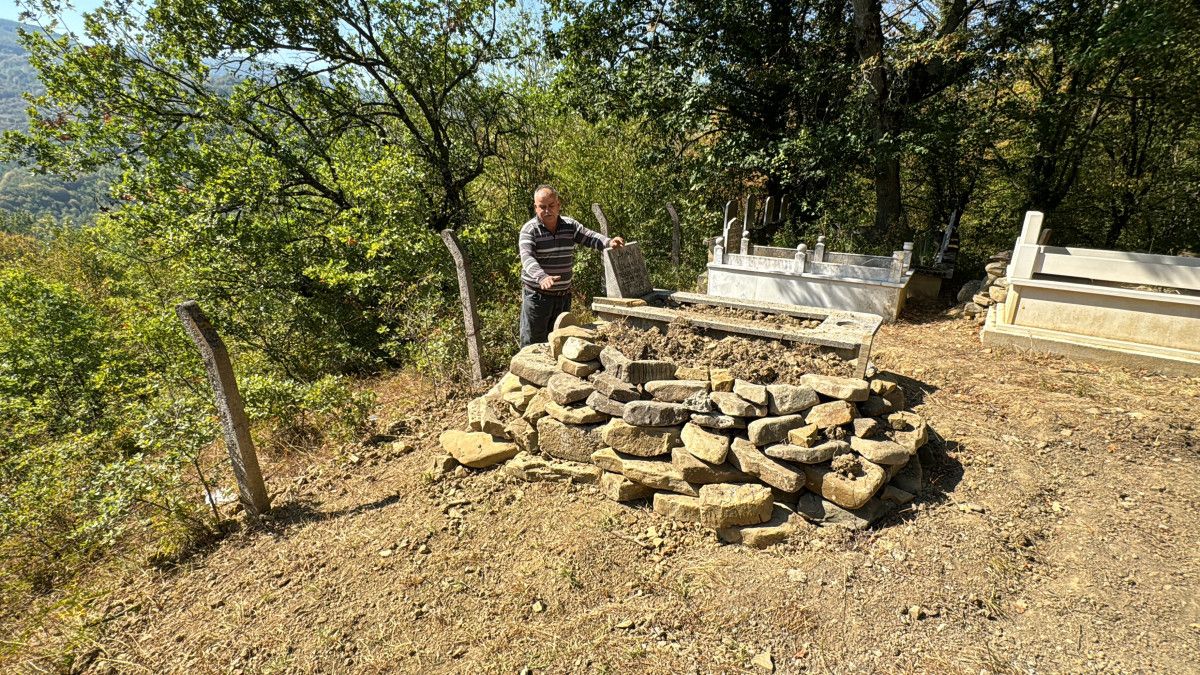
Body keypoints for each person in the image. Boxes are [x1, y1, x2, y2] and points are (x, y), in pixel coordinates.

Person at [518, 185, 624, 347]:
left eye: (551, 206)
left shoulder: (569, 225)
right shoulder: (529, 230)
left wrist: (609, 242)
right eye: (542, 207)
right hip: (538, 299)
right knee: (534, 345)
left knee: (561, 344)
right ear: (535, 207)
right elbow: (527, 258)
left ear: (558, 205)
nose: (547, 211)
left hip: (563, 298)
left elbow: (590, 237)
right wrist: (542, 277)